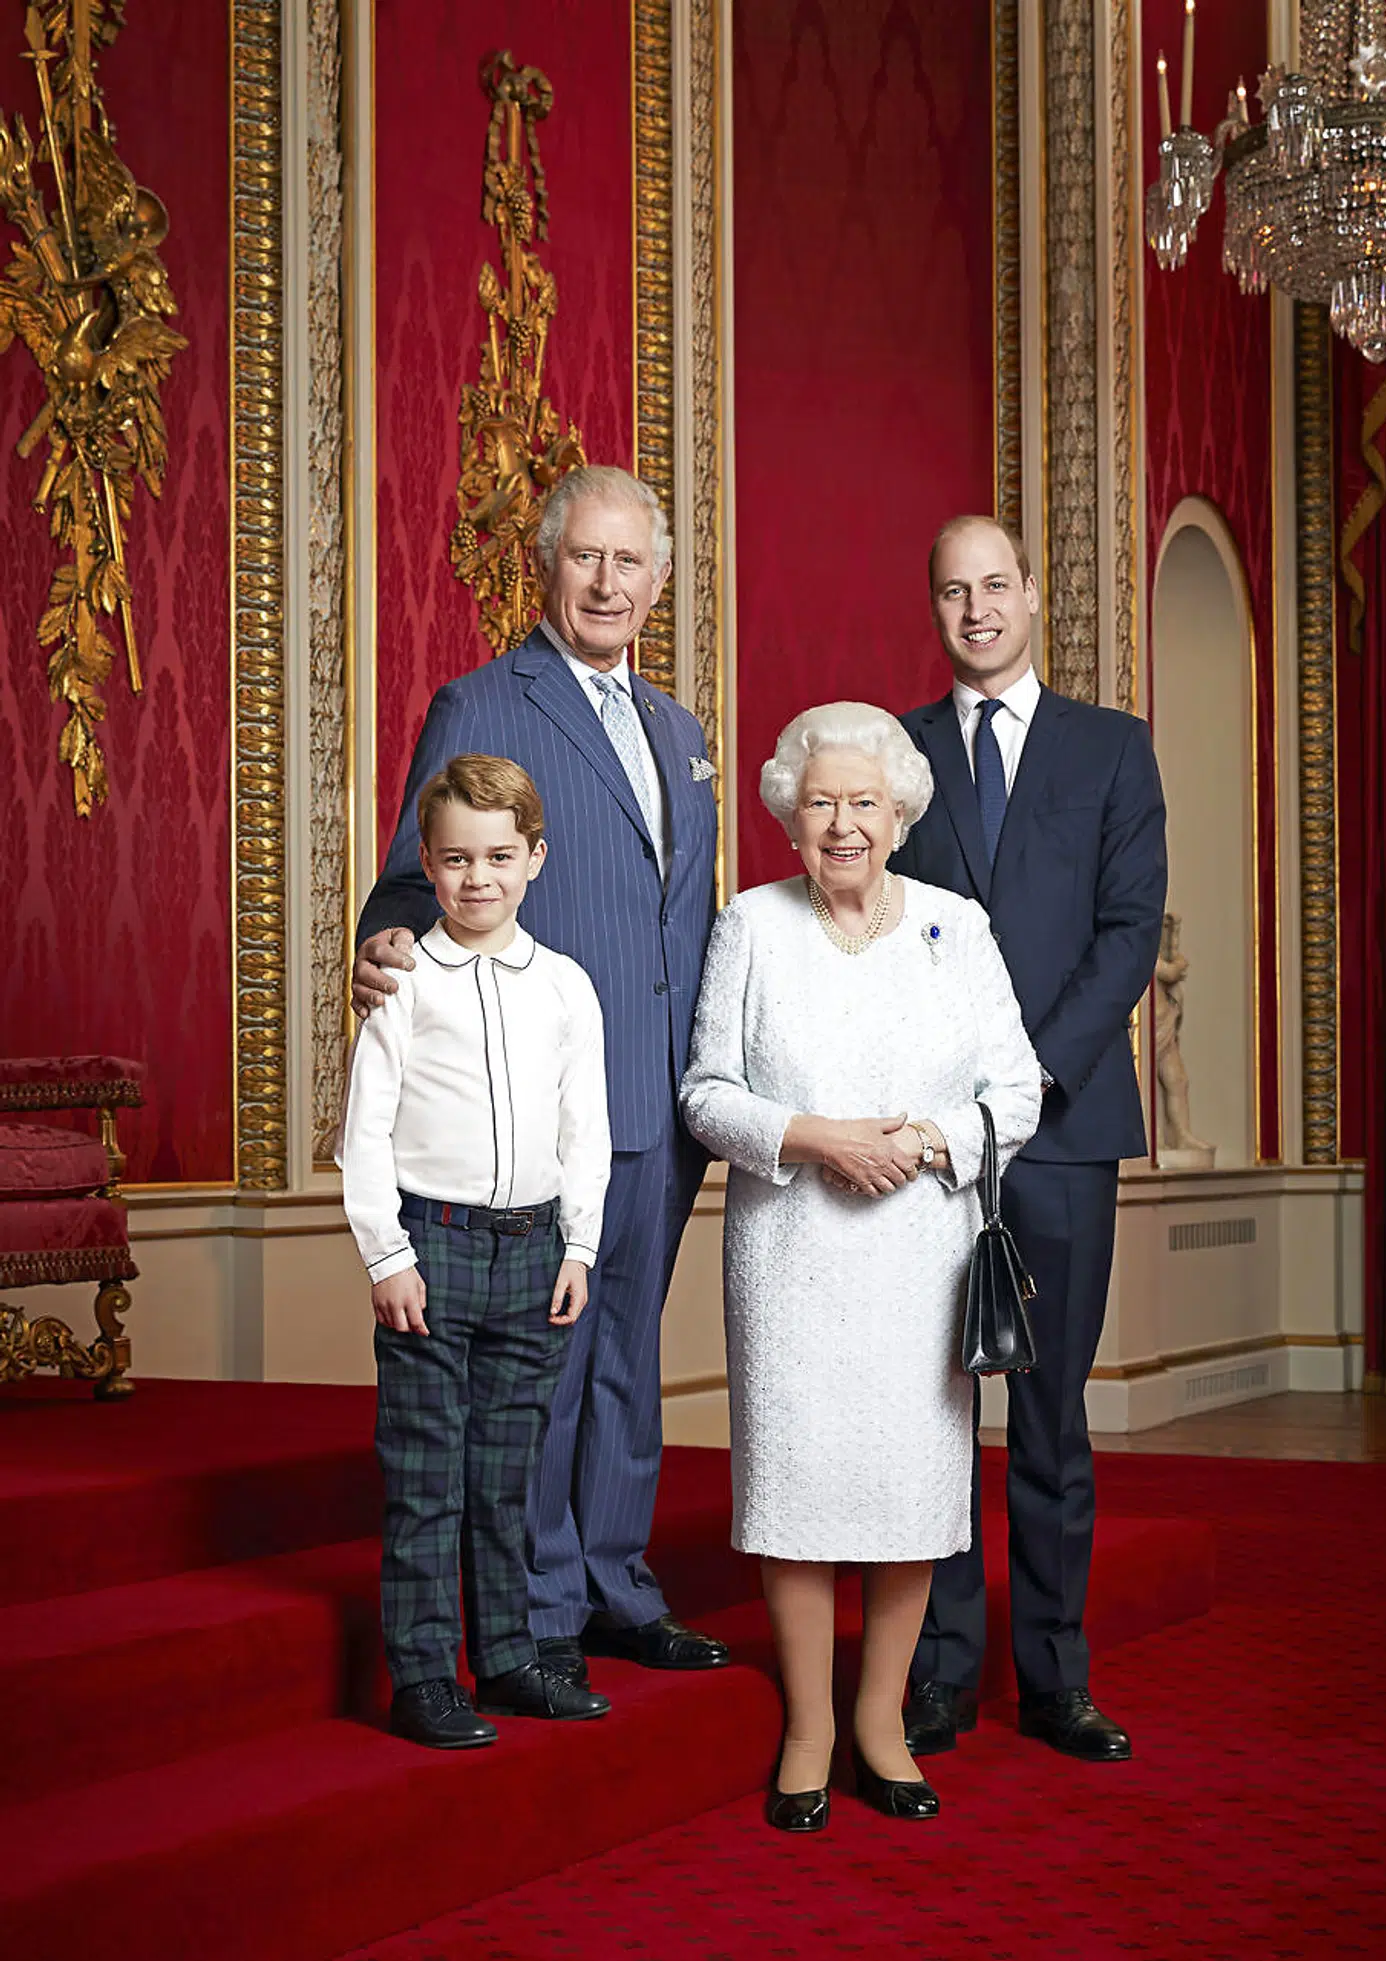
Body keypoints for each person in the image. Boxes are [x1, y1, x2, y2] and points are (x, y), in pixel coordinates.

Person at [352, 466, 728, 1689]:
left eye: (631, 563)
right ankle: (538, 1610)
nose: (609, 583)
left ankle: (618, 1580)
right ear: (547, 565)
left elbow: (686, 916)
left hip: (665, 1101)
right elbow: (417, 873)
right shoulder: (483, 701)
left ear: (659, 581)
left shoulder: (681, 730)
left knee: (628, 1354)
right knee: (545, 1373)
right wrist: (389, 941)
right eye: (587, 559)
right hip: (547, 1098)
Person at [680, 703, 1042, 1832]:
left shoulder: (957, 925)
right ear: (791, 813)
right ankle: (808, 1725)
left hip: (918, 1251)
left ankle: (881, 1720)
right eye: (822, 801)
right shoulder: (752, 923)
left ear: (900, 813)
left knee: (908, 1492)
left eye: (864, 803)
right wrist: (814, 1137)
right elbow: (705, 1091)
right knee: (794, 1489)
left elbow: (1016, 1089)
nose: (843, 824)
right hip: (790, 1251)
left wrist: (926, 1141)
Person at [892, 515, 1167, 1764]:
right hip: (934, 1139)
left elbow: (1127, 934)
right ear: (937, 607)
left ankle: (1055, 1673)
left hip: (1060, 1128)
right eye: (954, 591)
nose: (976, 609)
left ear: (1032, 597)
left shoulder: (1114, 750)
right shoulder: (890, 755)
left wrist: (1030, 1074)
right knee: (938, 1411)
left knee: (1052, 1415)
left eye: (994, 585)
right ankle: (941, 1671)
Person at [339, 755, 612, 1743]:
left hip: (533, 1250)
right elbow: (362, 1131)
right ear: (428, 860)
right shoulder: (406, 980)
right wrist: (385, 1254)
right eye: (457, 859)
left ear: (535, 857)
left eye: (500, 855)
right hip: (433, 1246)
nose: (479, 877)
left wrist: (579, 1244)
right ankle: (422, 1672)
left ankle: (505, 1656)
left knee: (506, 1474)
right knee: (425, 1474)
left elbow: (587, 1126)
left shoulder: (567, 988)